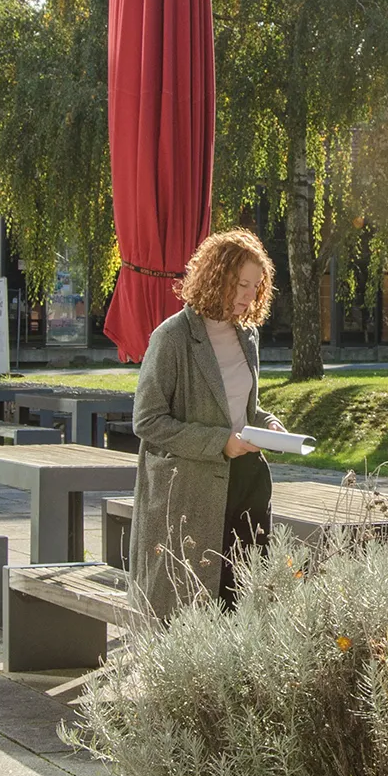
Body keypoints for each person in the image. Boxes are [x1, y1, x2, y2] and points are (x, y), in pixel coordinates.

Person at [129, 229, 288, 619]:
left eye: (255, 285)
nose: (249, 295)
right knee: (192, 605)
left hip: (248, 481)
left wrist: (268, 424)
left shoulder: (247, 335)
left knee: (244, 597)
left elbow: (242, 408)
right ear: (215, 277)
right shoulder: (172, 337)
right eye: (240, 284)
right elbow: (147, 420)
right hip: (191, 490)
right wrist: (220, 442)